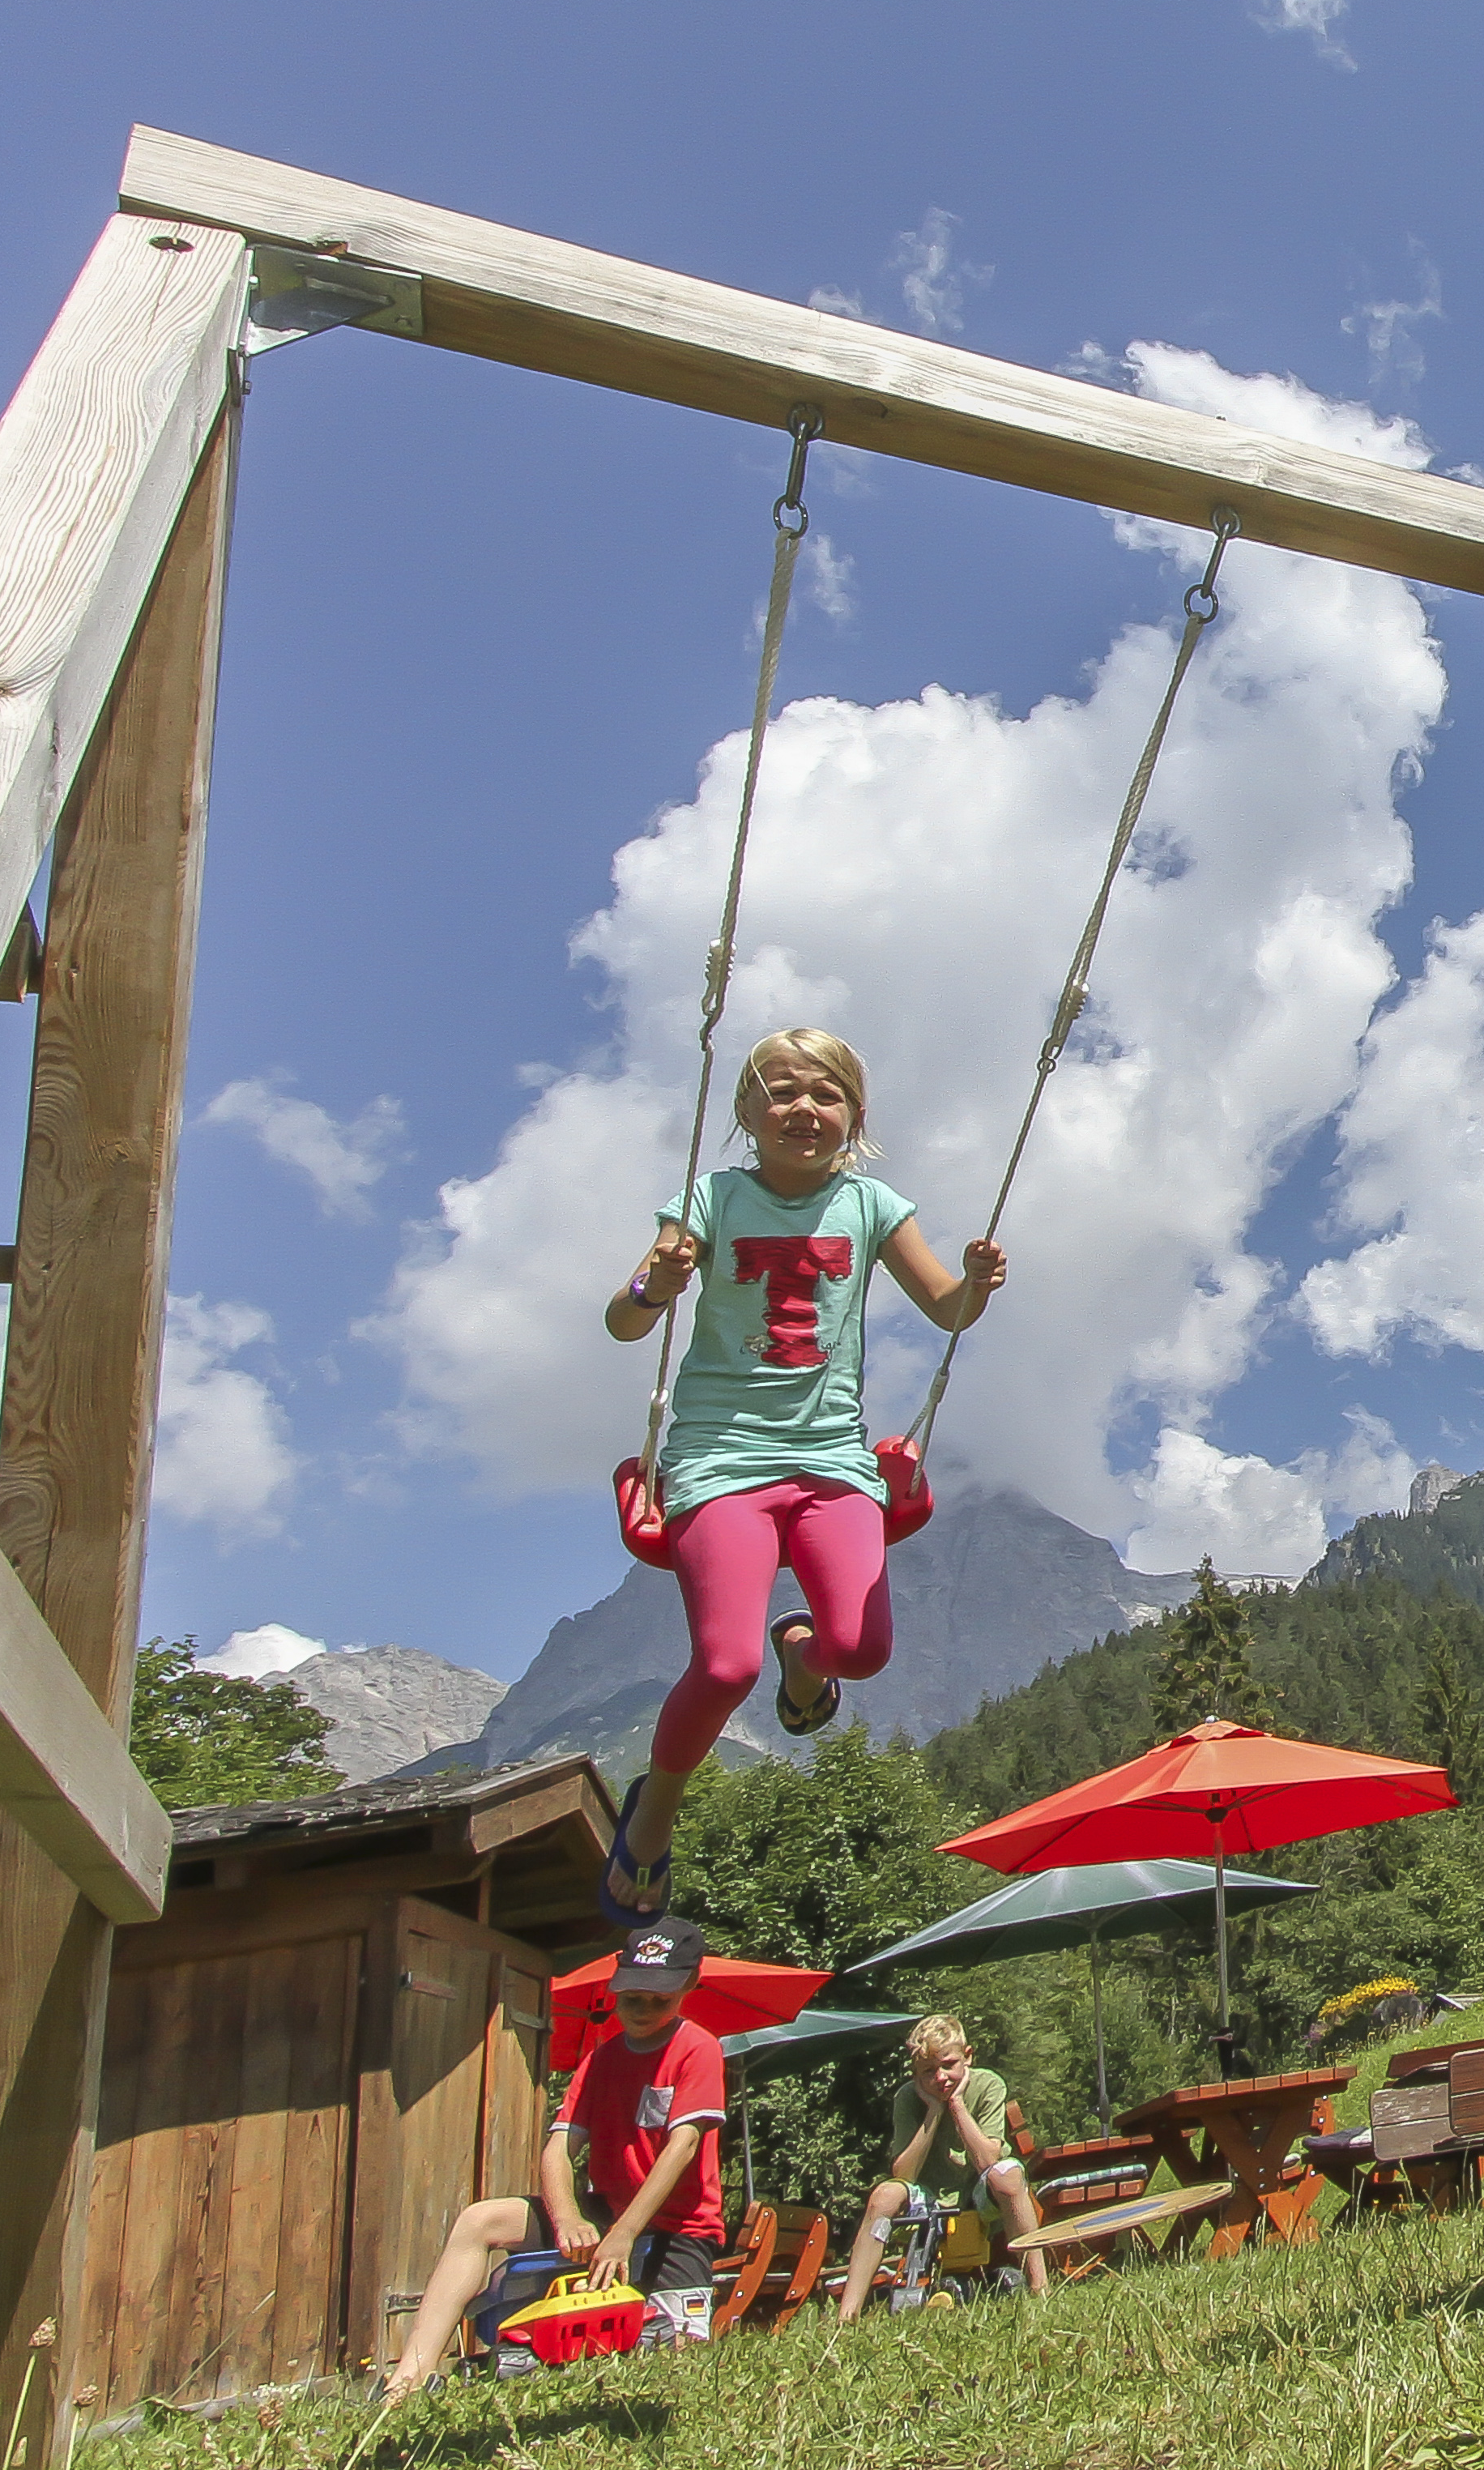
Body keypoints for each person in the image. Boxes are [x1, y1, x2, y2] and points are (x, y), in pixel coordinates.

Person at [600, 1029, 1006, 1922]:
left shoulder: (871, 1205)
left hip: (830, 1457)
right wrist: (656, 1285)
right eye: (781, 1092)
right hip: (720, 1458)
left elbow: (948, 1309)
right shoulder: (709, 1199)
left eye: (825, 1095)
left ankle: (805, 1658)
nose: (803, 1109)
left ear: (855, 1117)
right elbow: (623, 1323)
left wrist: (975, 1284)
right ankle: (654, 1815)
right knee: (723, 1665)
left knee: (861, 1650)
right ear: (746, 1112)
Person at [382, 1919, 728, 2402]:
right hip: (607, 2211)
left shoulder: (698, 2049)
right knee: (479, 2221)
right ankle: (408, 2380)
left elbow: (683, 2147)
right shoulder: (601, 2059)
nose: (643, 2010)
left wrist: (624, 2236)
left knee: (678, 2367)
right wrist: (566, 2218)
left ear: (690, 1983)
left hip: (678, 2229)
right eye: (632, 1998)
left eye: (659, 1999)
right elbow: (559, 2149)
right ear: (617, 1985)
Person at [834, 2015, 1046, 2313]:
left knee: (1009, 2174)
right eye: (929, 2071)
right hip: (930, 2200)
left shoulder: (988, 2085)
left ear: (967, 2057)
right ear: (915, 2074)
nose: (941, 2078)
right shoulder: (908, 2098)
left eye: (949, 2065)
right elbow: (903, 2174)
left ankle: (1040, 2289)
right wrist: (933, 2112)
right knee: (884, 2195)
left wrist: (957, 2105)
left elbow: (987, 2160)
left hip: (980, 2195)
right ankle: (848, 2314)